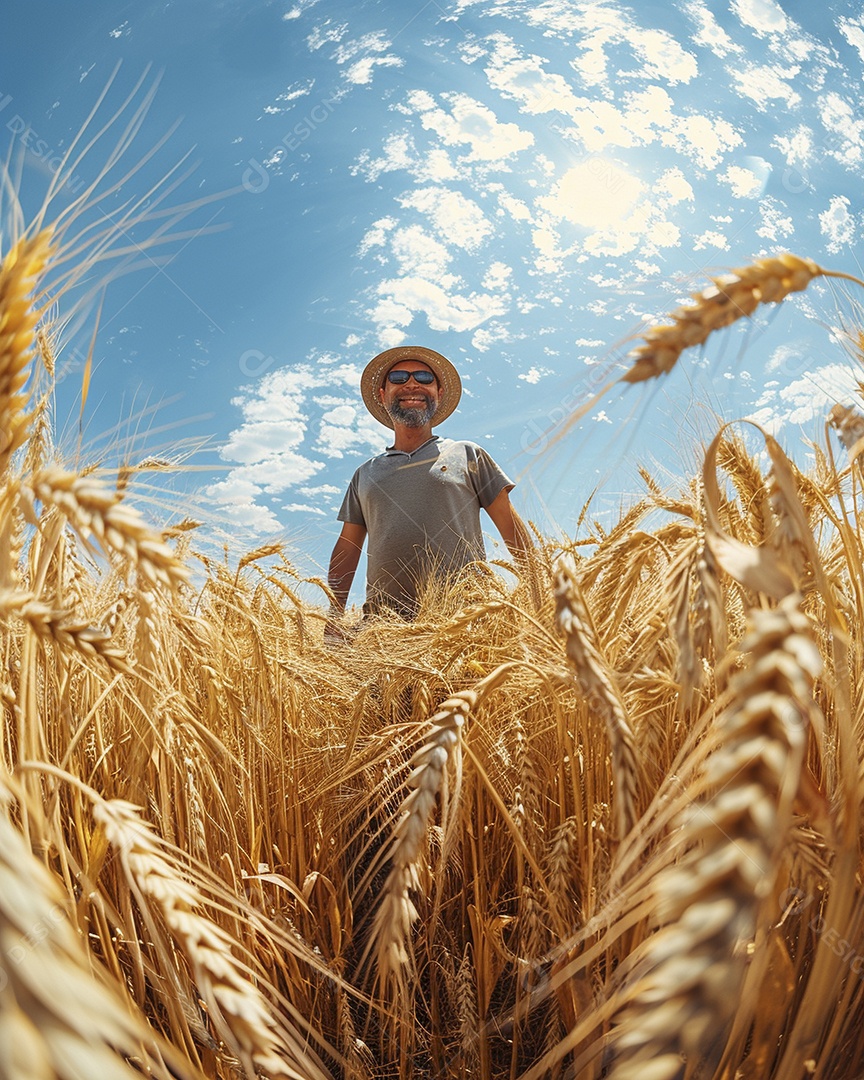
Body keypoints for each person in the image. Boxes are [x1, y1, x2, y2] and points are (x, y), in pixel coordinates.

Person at [325, 345, 529, 637]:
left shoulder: (469, 455)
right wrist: (333, 619)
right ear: (382, 395)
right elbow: (347, 548)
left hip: (466, 627)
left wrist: (541, 594)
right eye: (398, 377)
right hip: (383, 633)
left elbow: (513, 530)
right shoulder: (365, 474)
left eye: (423, 377)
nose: (411, 384)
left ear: (439, 393)